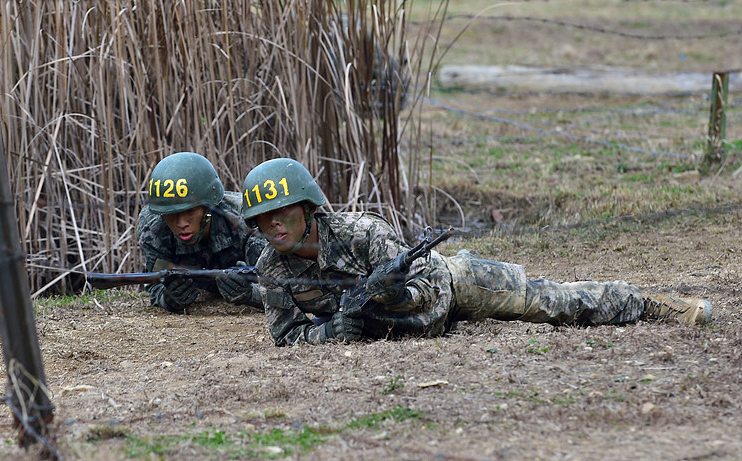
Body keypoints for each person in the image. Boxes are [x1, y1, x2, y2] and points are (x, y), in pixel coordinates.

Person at [240, 158, 712, 346]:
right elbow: (285, 336)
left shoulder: (364, 234)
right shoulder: (271, 269)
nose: (274, 223)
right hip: (405, 334)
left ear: (307, 207)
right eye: (264, 218)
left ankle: (650, 304)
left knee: (549, 302)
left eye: (283, 211)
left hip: (452, 287)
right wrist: (330, 332)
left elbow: (426, 282)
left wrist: (388, 296)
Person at [137, 152, 267, 312]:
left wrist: (250, 294)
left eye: (190, 212)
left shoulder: (245, 220)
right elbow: (155, 286)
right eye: (171, 215)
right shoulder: (153, 227)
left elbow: (284, 287)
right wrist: (169, 299)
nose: (181, 224)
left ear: (209, 208)